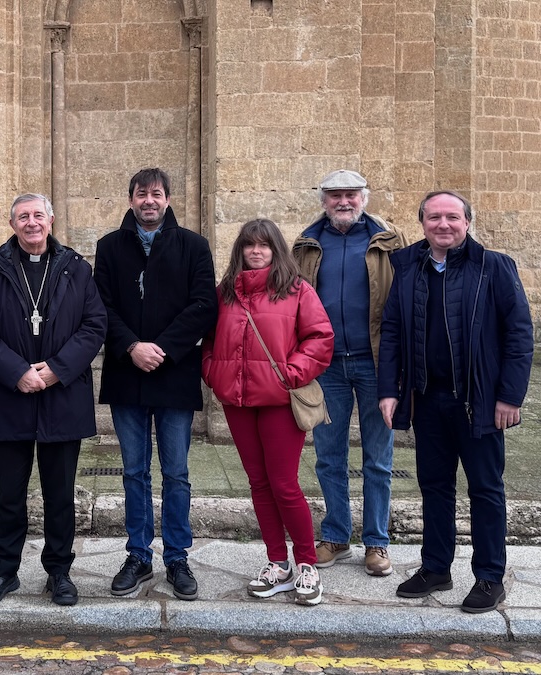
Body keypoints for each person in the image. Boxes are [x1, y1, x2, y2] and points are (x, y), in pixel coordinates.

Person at [378, 191, 533, 613]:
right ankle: (436, 567)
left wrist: (509, 396)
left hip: (478, 402)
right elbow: (392, 331)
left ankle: (488, 577)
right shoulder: (408, 266)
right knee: (434, 487)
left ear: (467, 221)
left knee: (485, 490)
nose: (442, 224)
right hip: (428, 399)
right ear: (422, 222)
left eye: (452, 217)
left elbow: (519, 335)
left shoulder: (493, 267)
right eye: (433, 218)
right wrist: (389, 390)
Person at [0, 193, 107, 607]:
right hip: (8, 397)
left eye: (38, 215)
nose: (31, 223)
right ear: (12, 224)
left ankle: (59, 572)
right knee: (10, 494)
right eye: (23, 217)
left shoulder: (77, 268)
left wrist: (56, 368)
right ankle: (5, 571)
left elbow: (94, 325)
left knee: (60, 494)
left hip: (61, 396)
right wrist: (17, 372)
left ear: (51, 220)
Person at [93, 167, 217, 600]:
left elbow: (204, 305)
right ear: (131, 200)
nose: (149, 200)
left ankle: (178, 557)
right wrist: (131, 347)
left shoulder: (193, 246)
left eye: (157, 194)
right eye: (141, 194)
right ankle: (139, 556)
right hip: (128, 373)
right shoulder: (109, 246)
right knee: (133, 471)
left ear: (167, 199)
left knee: (177, 473)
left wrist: (160, 348)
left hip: (174, 373)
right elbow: (100, 306)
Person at [202, 219, 334, 606]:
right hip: (238, 402)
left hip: (279, 401)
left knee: (284, 484)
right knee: (258, 483)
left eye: (264, 245)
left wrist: (291, 375)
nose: (256, 251)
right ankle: (278, 563)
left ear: (277, 250)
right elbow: (207, 339)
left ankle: (306, 563)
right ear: (240, 249)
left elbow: (320, 337)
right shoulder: (225, 293)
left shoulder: (296, 291)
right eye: (249, 245)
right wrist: (213, 372)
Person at [291, 169, 407, 576]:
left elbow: (406, 299)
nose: (343, 201)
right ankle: (337, 535)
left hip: (378, 364)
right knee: (328, 456)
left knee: (378, 457)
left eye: (351, 195)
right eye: (335, 195)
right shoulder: (307, 244)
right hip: (327, 366)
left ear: (364, 198)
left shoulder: (388, 243)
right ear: (323, 201)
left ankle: (376, 543)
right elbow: (291, 303)